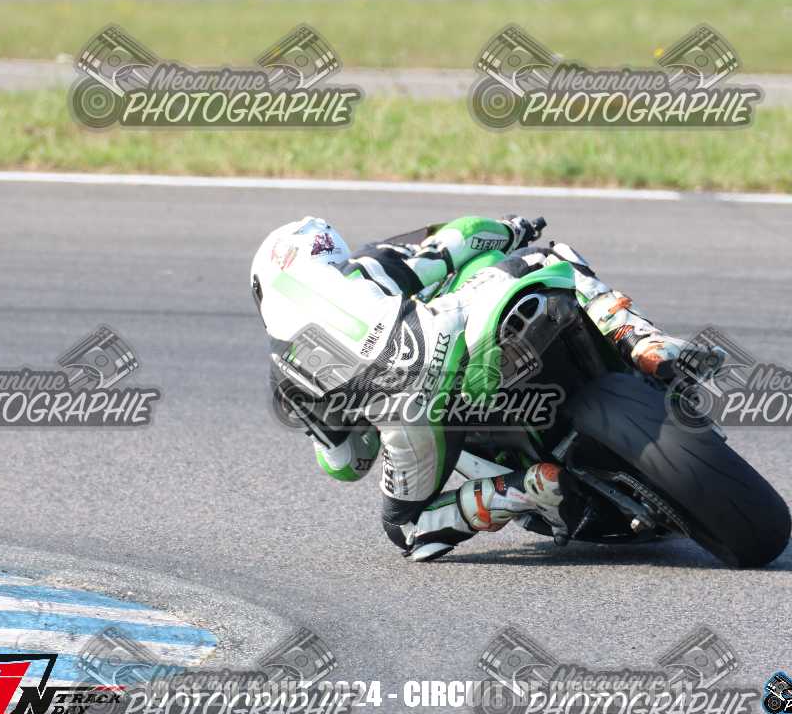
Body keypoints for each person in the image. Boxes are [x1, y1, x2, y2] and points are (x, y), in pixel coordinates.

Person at [251, 215, 719, 561]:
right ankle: (640, 339)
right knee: (551, 258)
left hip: (406, 419)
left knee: (406, 527)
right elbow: (457, 243)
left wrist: (364, 415)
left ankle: (524, 489)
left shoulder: (284, 376)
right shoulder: (364, 266)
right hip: (441, 337)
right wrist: (514, 228)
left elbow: (347, 465)